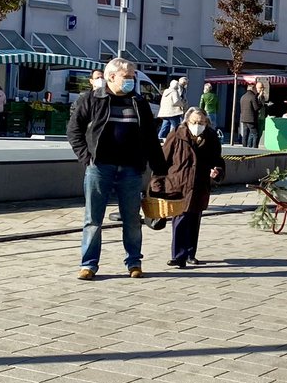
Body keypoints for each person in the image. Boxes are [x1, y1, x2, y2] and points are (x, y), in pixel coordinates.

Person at [66, 57, 165, 280]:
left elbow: (150, 137)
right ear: (111, 77)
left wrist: (159, 168)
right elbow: (74, 130)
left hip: (131, 168)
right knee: (93, 219)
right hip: (100, 167)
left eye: (133, 76)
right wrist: (86, 157)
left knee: (132, 219)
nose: (131, 80)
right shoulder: (92, 99)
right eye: (127, 76)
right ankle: (89, 265)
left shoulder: (138, 102)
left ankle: (134, 262)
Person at [152, 106, 224, 269]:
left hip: (200, 185)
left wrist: (217, 171)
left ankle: (190, 253)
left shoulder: (211, 136)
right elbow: (163, 160)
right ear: (187, 121)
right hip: (178, 184)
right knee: (180, 218)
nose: (198, 125)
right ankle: (178, 255)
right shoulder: (176, 134)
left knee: (193, 219)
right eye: (195, 122)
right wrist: (157, 184)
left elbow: (217, 160)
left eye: (202, 122)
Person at [238, 83, 261, 148]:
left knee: (245, 134)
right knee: (255, 134)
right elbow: (256, 108)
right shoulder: (253, 97)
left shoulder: (243, 96)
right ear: (253, 89)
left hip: (243, 118)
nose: (256, 90)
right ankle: (254, 148)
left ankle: (244, 147)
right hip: (251, 119)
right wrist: (261, 105)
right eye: (255, 89)